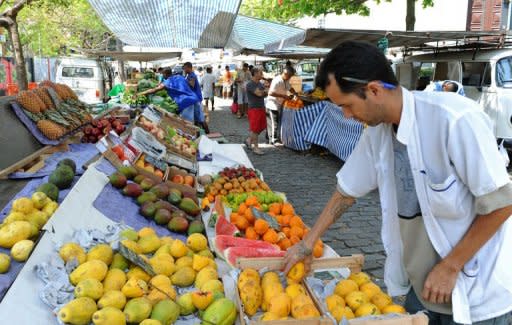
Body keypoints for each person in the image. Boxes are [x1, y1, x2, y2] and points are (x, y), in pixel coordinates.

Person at [282, 41, 512, 325]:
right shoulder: (377, 133)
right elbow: (347, 191)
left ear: (375, 90)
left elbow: (502, 204)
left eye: (347, 106)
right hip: (424, 286)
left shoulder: (454, 120)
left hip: (476, 292)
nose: (346, 116)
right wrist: (308, 242)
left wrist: (451, 266)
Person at [266, 66, 296, 145]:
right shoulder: (277, 80)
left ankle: (269, 138)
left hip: (279, 104)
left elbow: (290, 88)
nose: (290, 78)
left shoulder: (286, 80)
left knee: (272, 123)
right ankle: (274, 140)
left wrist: (296, 93)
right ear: (285, 73)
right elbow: (270, 92)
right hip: (272, 105)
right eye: (289, 76)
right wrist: (284, 96)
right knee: (274, 123)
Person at [245, 67, 268, 155]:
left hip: (261, 107)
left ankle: (249, 140)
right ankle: (256, 147)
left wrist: (264, 91)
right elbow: (259, 94)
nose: (262, 74)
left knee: (261, 127)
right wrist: (265, 90)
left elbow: (264, 94)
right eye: (260, 72)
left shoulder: (260, 84)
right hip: (254, 109)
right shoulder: (250, 84)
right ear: (255, 73)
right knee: (255, 129)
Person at [183, 62, 208, 133]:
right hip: (194, 98)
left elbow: (192, 85)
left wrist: (185, 80)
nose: (184, 70)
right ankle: (197, 133)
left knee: (200, 118)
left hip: (196, 98)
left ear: (188, 67)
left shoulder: (192, 75)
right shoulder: (189, 75)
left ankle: (207, 132)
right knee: (197, 118)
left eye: (185, 68)